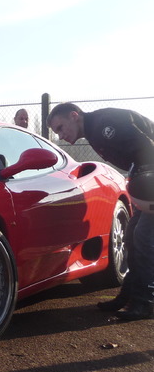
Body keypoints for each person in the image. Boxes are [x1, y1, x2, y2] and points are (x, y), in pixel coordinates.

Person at [47, 102, 154, 320]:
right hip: (147, 178)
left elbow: (147, 146)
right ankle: (130, 296)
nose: (60, 136)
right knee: (133, 236)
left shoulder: (104, 125)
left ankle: (145, 303)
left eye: (60, 128)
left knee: (143, 237)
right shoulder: (95, 131)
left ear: (74, 116)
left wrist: (145, 180)